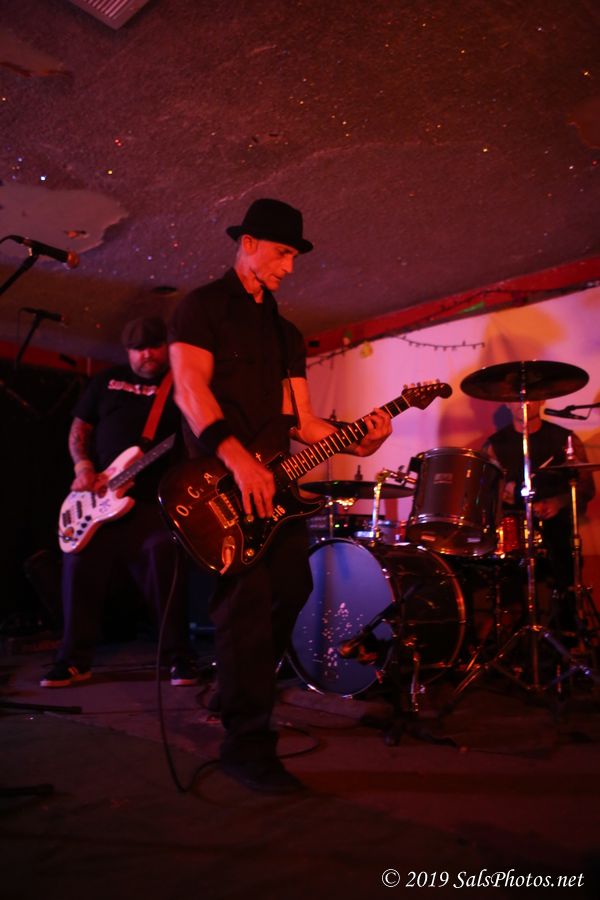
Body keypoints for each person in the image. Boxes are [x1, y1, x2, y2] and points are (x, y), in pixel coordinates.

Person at [168, 198, 392, 793]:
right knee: (244, 607)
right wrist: (238, 458)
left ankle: (236, 687)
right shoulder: (201, 308)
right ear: (247, 243)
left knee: (293, 588)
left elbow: (304, 420)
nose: (289, 268)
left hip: (279, 487)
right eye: (283, 253)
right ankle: (246, 746)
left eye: (294, 256)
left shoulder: (286, 333)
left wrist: (360, 438)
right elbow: (190, 391)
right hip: (222, 484)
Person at [41, 316, 196, 688]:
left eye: (153, 347)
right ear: (127, 351)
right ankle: (73, 661)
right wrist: (83, 466)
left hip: (151, 503)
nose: (146, 355)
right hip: (98, 498)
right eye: (138, 349)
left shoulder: (180, 384)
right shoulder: (105, 380)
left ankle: (179, 658)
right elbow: (80, 427)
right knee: (77, 566)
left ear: (166, 347)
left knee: (164, 562)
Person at [482, 400, 595, 634]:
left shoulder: (565, 439)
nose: (524, 404)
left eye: (530, 397)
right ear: (507, 403)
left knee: (565, 570)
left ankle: (566, 636)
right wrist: (503, 494)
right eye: (517, 399)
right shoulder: (494, 445)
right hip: (513, 531)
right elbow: (485, 493)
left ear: (542, 400)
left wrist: (558, 502)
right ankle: (513, 636)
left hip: (557, 529)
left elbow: (586, 488)